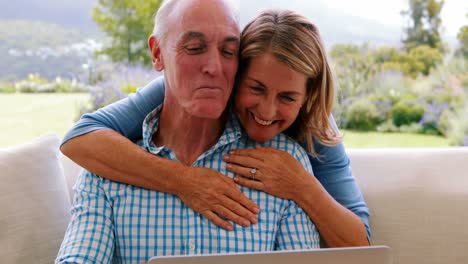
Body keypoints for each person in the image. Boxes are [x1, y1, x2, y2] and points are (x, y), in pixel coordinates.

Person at [61, 2, 370, 248]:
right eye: (256, 88)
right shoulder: (183, 89)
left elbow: (361, 247)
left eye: (288, 97)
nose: (267, 109)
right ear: (237, 74)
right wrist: (185, 181)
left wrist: (302, 186)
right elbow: (79, 137)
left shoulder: (313, 131)